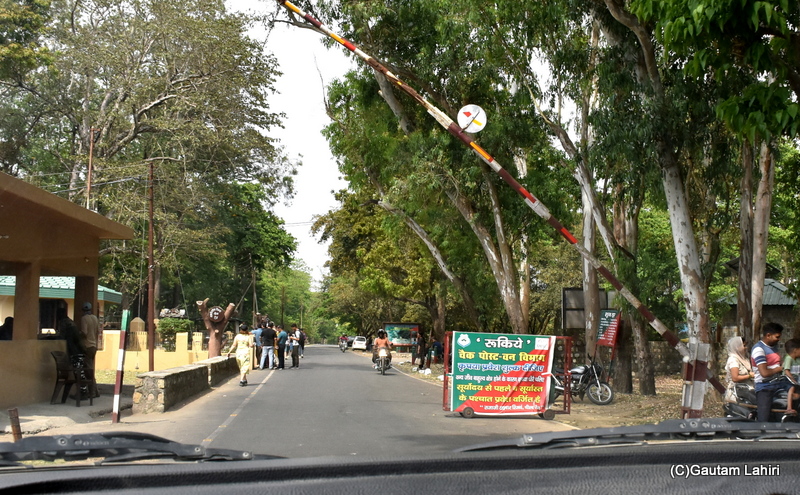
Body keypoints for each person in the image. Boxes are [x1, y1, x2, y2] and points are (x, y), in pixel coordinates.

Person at [751, 322, 796, 420]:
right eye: (777, 337)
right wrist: (781, 368)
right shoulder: (759, 349)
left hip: (778, 382)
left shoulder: (773, 347)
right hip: (765, 386)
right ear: (768, 335)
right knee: (764, 417)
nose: (779, 339)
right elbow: (764, 373)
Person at [724, 336, 753, 402]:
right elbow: (735, 378)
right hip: (737, 394)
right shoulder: (733, 360)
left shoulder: (743, 358)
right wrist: (750, 375)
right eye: (744, 345)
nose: (746, 348)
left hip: (747, 391)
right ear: (737, 346)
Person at [80, 302, 100, 398]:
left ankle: (92, 392)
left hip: (87, 346)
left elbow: (84, 332)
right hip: (94, 346)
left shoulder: (84, 319)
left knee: (88, 371)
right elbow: (97, 331)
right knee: (90, 368)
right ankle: (95, 391)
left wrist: (78, 335)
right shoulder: (95, 318)